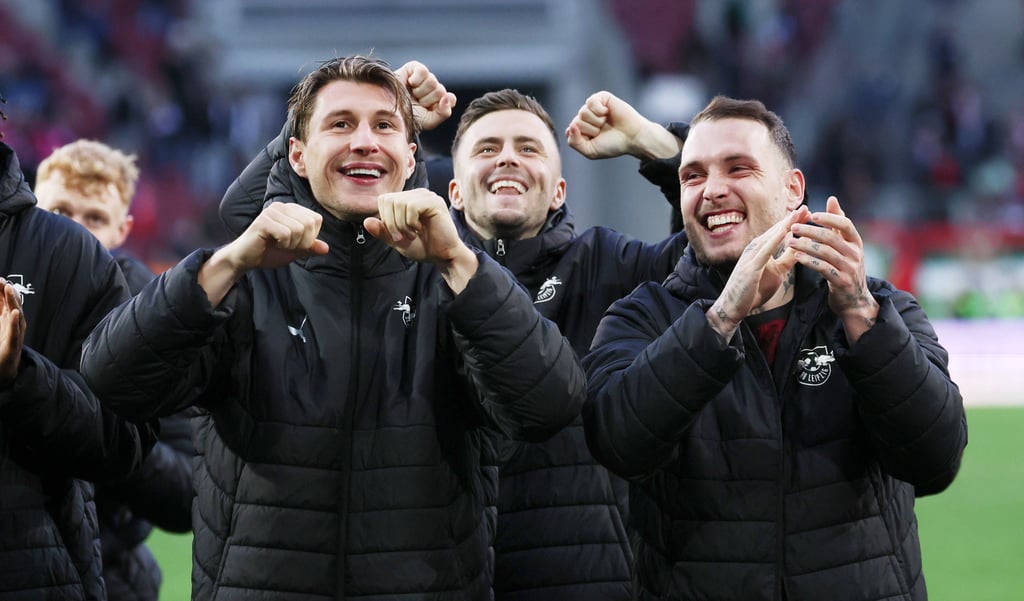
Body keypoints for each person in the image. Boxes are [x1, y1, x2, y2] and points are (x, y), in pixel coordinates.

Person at [80, 55, 585, 600]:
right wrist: (223, 264)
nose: (365, 142)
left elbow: (551, 405)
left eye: (385, 126)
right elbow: (112, 383)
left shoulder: (458, 281)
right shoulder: (244, 280)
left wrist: (461, 263)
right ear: (295, 155)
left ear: (410, 155)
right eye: (340, 124)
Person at [582, 95, 968, 600]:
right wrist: (720, 320)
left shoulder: (880, 309)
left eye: (738, 168)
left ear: (793, 190)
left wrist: (860, 316)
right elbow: (617, 444)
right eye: (692, 177)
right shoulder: (642, 315)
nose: (712, 191)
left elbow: (935, 462)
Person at [439, 88, 689, 600]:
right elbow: (270, 208)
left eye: (528, 148)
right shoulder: (410, 277)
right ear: (454, 193)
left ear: (558, 191)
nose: (507, 156)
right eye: (486, 149)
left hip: (587, 584)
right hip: (445, 578)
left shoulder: (608, 265)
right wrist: (390, 125)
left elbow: (723, 251)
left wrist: (655, 145)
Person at [0, 101, 155, 599]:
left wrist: (19, 377)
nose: (82, 224)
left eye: (95, 215)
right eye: (65, 209)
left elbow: (130, 440)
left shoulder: (71, 257)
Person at [34, 139, 194, 601]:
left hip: (112, 575)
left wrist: (102, 433)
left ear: (123, 228)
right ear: (30, 211)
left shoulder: (158, 323)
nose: (77, 234)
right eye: (61, 212)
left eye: (95, 219)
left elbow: (186, 495)